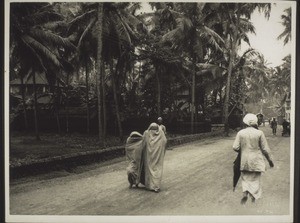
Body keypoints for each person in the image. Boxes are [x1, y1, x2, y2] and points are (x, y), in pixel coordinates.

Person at [233, 113, 274, 204]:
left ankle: (245, 193)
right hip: (256, 160)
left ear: (245, 122)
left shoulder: (240, 133)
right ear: (255, 122)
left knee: (245, 178)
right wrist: (270, 160)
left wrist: (243, 150)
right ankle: (253, 197)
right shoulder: (259, 133)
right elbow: (265, 149)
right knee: (255, 179)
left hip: (244, 160)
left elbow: (235, 147)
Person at [137, 123, 167, 193]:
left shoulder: (147, 133)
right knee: (157, 169)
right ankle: (156, 186)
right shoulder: (161, 134)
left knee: (149, 169)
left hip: (149, 156)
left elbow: (143, 144)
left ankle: (150, 185)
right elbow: (165, 142)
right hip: (158, 156)